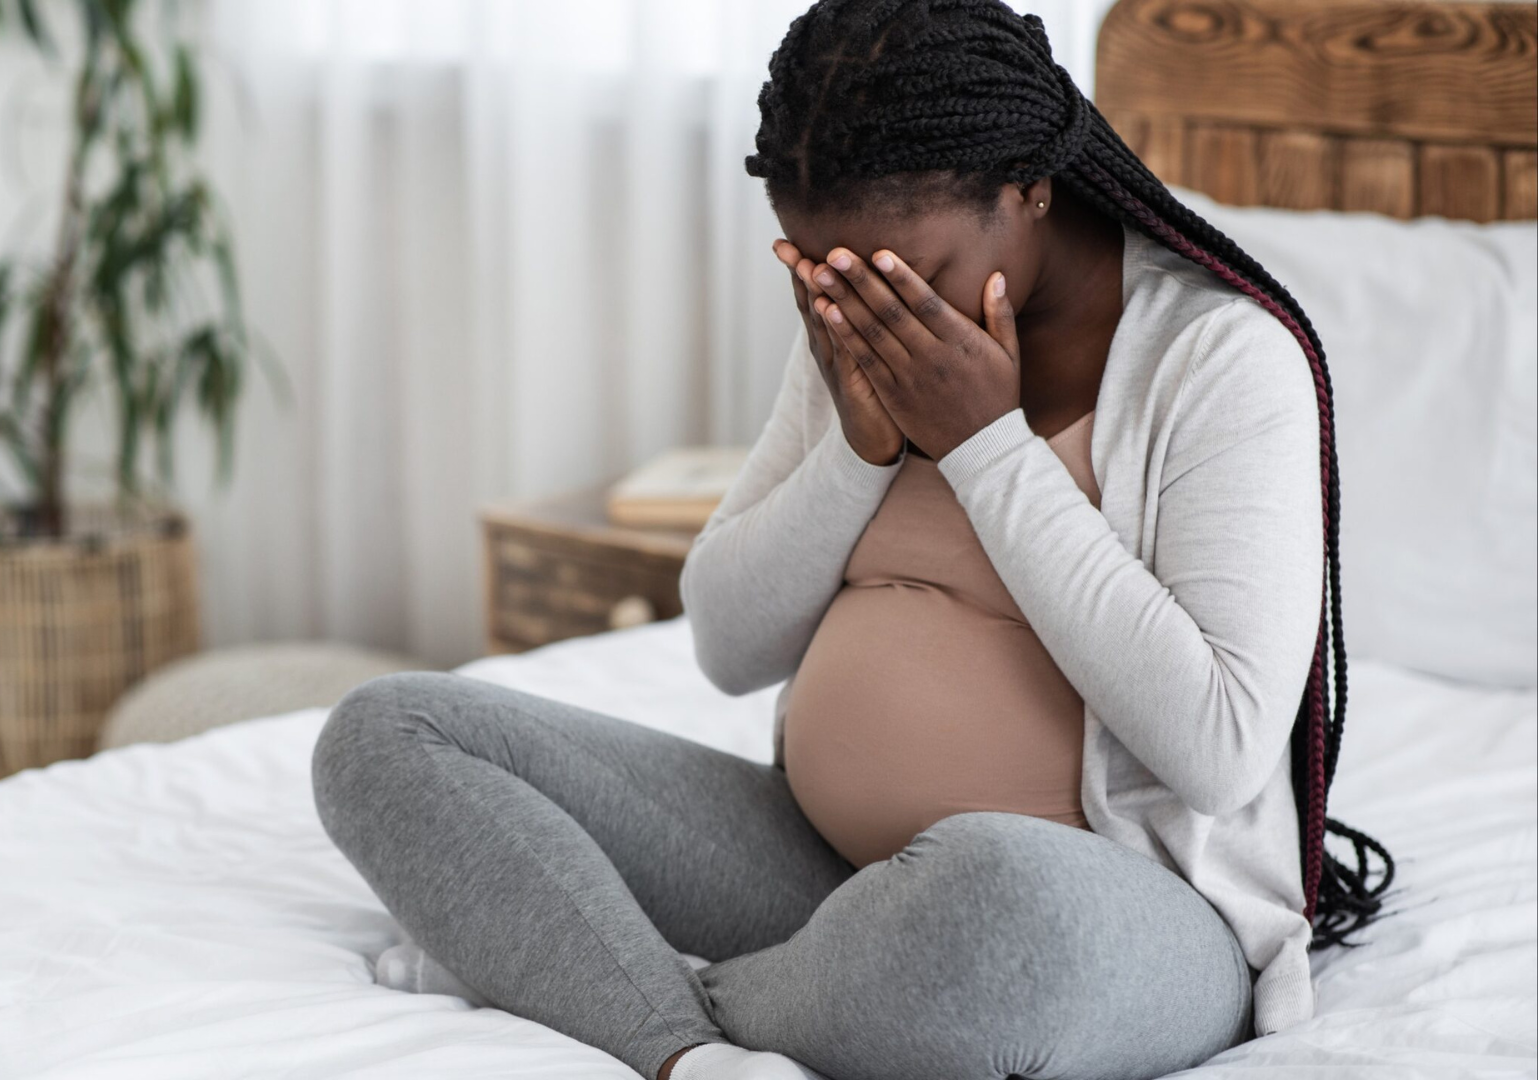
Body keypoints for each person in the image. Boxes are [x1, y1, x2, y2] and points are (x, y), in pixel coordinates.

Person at [310, 2, 1394, 1078]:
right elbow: (729, 647)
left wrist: (985, 447)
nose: (871, 305)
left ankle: (592, 981)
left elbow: (1216, 748)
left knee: (998, 900)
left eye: (906, 269)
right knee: (390, 733)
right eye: (826, 272)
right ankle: (690, 1048)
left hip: (1101, 909)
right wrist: (858, 457)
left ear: (1029, 186)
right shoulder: (866, 320)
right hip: (816, 865)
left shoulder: (1219, 361)